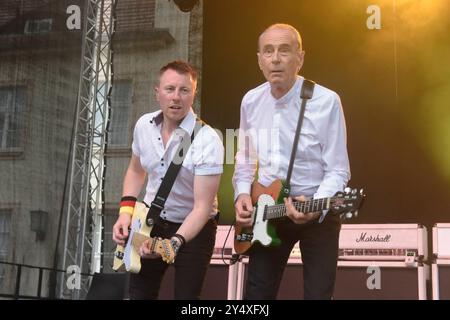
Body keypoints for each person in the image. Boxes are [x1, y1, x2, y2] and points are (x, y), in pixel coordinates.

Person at [233, 23, 350, 300]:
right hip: (268, 213)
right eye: (268, 51)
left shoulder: (326, 101)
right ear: (259, 60)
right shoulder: (250, 101)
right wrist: (241, 195)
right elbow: (245, 158)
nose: (275, 58)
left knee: (318, 294)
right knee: (256, 296)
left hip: (315, 211)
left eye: (284, 51)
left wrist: (315, 206)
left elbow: (338, 169)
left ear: (300, 57)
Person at [112, 60, 224, 300]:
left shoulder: (207, 140)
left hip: (194, 227)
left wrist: (175, 242)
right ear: (157, 93)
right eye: (170, 89)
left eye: (184, 90)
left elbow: (202, 208)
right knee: (139, 294)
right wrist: (125, 213)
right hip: (152, 221)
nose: (176, 97)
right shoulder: (144, 125)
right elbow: (135, 170)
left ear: (193, 94)